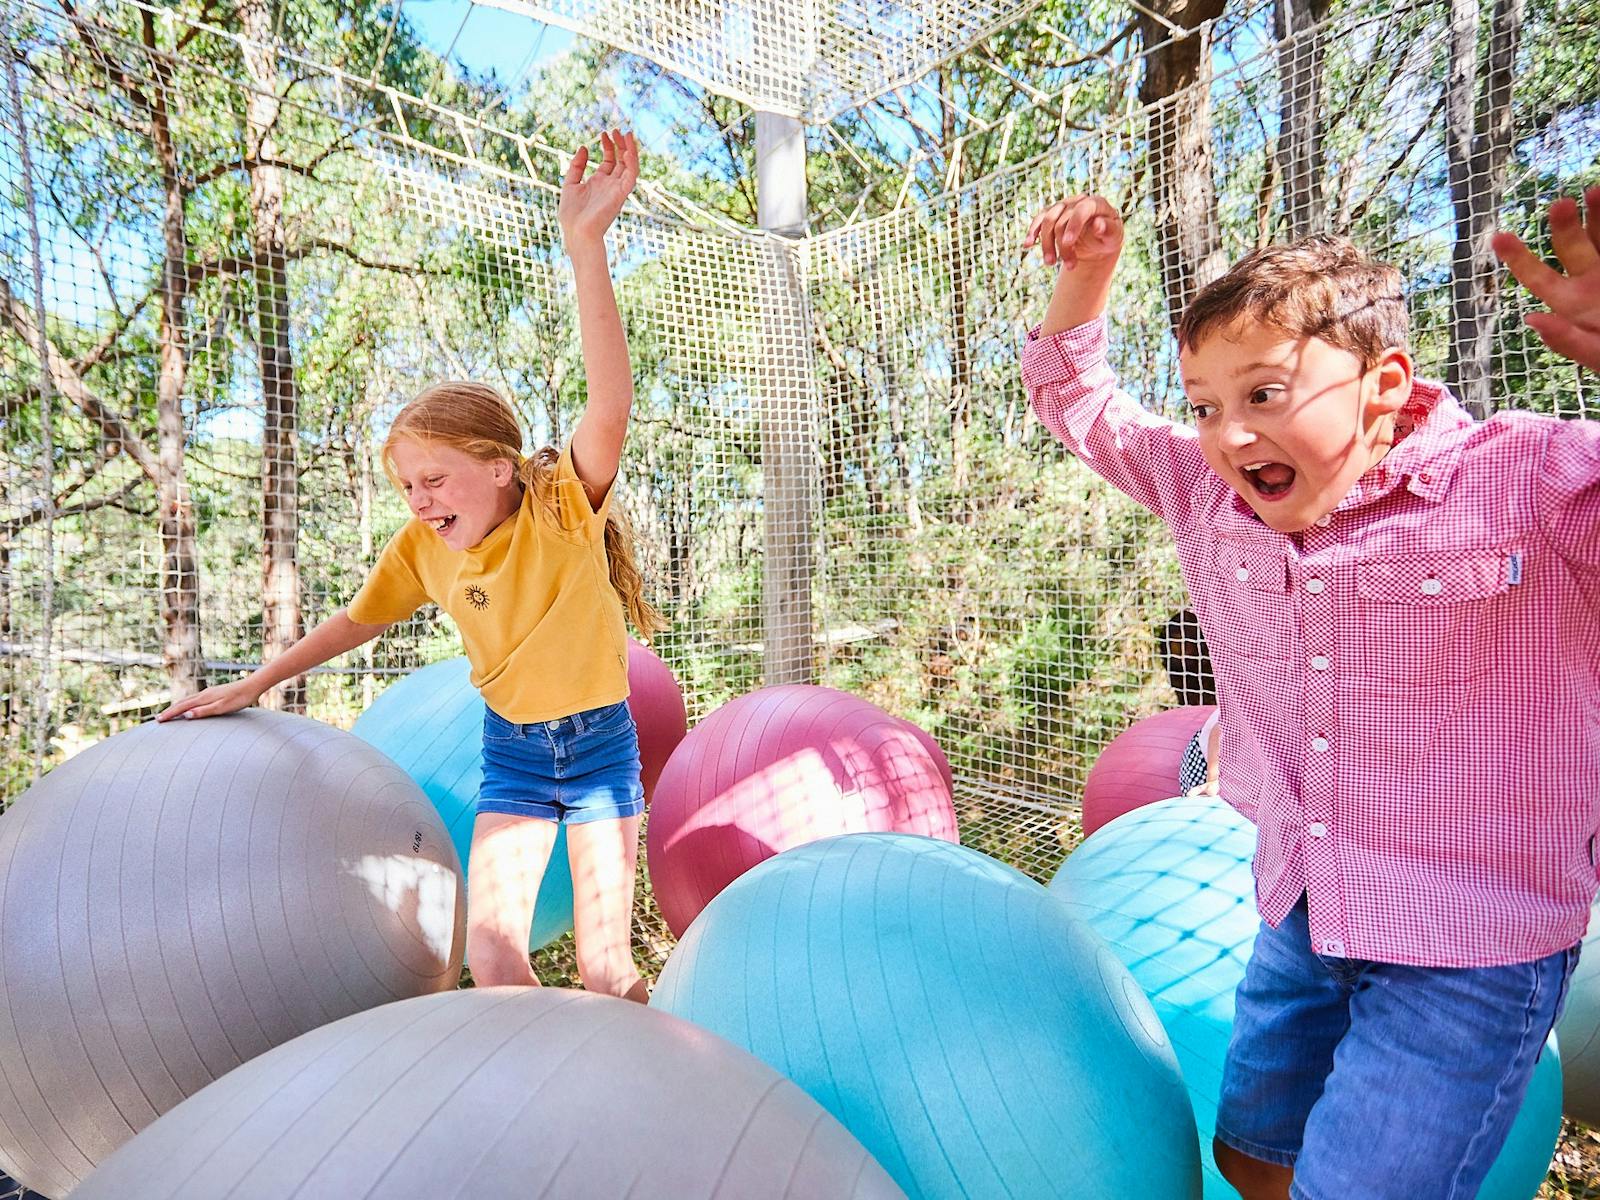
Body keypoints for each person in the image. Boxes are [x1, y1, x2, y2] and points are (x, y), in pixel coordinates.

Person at [1020, 186, 1600, 1199]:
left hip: (1465, 953)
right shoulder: (1207, 492)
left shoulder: (1529, 482)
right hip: (1303, 910)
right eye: (1204, 405)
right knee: (1253, 1156)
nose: (1229, 434)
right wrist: (1086, 278)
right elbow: (1081, 402)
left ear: (1384, 384)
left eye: (1265, 392)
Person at [160, 130, 663, 1002]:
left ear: (498, 467)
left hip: (596, 749)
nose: (420, 499)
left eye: (435, 478)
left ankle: (650, 1099)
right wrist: (255, 684)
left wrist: (587, 246)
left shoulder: (559, 507)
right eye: (406, 485)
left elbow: (610, 407)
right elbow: (354, 622)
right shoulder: (422, 549)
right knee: (496, 962)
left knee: (607, 970)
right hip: (511, 752)